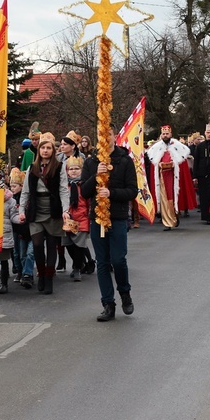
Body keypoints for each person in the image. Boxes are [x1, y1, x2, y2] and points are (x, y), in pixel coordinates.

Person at [81, 125, 138, 322]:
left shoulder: (125, 161)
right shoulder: (91, 162)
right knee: (102, 262)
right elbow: (84, 192)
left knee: (118, 260)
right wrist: (96, 176)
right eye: (101, 135)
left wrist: (111, 193)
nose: (105, 138)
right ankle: (108, 303)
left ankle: (124, 292)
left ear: (114, 136)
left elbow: (132, 191)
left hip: (118, 217)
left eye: (109, 134)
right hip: (97, 218)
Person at [18, 138, 69, 295]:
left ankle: (49, 278)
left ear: (53, 151)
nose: (45, 150)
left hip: (52, 208)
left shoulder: (59, 167)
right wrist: (21, 210)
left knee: (52, 245)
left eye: (49, 148)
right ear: (39, 150)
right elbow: (25, 191)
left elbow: (63, 190)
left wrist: (65, 210)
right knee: (38, 244)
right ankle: (40, 273)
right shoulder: (31, 168)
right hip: (36, 209)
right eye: (43, 148)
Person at [146, 124, 197, 231]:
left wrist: (175, 163)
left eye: (167, 133)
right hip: (162, 178)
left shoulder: (177, 145)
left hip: (174, 177)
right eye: (163, 134)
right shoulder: (157, 147)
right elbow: (153, 161)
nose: (165, 135)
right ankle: (167, 221)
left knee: (174, 198)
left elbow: (182, 161)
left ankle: (174, 216)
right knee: (164, 198)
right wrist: (158, 164)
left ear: (171, 134)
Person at [62, 155, 90, 282]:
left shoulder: (84, 184)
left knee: (79, 245)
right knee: (69, 244)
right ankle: (81, 264)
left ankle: (77, 268)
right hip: (69, 218)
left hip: (82, 218)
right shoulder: (64, 186)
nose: (73, 171)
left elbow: (88, 201)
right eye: (71, 168)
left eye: (76, 168)